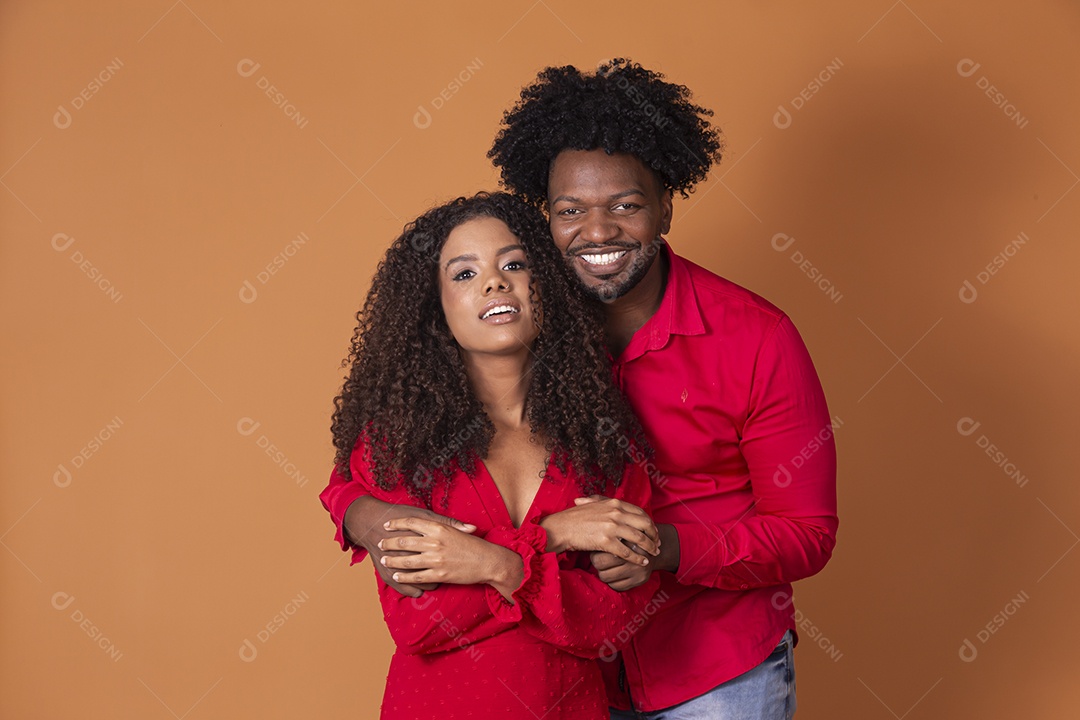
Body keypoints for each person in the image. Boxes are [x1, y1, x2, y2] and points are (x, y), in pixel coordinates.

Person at [337, 59, 838, 719]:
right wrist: (364, 516)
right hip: (569, 679)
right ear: (546, 219)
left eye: (625, 206)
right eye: (571, 211)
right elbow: (379, 456)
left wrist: (664, 547)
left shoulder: (757, 337)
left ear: (665, 205)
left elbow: (807, 532)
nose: (597, 232)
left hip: (712, 666)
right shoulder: (520, 316)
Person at [319, 191, 663, 719]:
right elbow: (420, 623)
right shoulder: (398, 442)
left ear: (546, 285)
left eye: (515, 264)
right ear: (435, 308)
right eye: (464, 273)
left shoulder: (603, 440)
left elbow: (612, 624)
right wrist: (548, 541)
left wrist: (483, 566)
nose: (495, 282)